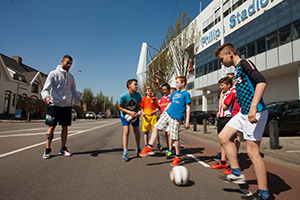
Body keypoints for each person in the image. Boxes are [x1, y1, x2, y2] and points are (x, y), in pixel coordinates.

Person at [214, 42, 269, 200]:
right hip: (243, 113)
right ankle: (237, 172)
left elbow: (261, 82)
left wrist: (253, 107)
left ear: (230, 53)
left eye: (222, 58)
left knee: (252, 152)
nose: (221, 62)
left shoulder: (245, 64)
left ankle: (264, 194)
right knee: (223, 137)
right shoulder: (237, 71)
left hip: (255, 112)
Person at [139, 76, 191, 167]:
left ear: (183, 83)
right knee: (156, 126)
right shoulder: (174, 93)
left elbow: (188, 107)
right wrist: (163, 112)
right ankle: (150, 146)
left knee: (175, 138)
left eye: (178, 82)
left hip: (176, 117)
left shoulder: (186, 94)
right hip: (168, 114)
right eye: (176, 82)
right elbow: (170, 103)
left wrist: (187, 121)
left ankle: (178, 157)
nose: (176, 84)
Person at [41, 55, 83, 159]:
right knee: (52, 127)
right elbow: (45, 89)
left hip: (66, 105)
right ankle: (47, 150)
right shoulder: (53, 74)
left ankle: (63, 148)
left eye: (71, 64)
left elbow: (73, 90)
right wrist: (47, 98)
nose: (69, 65)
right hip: (54, 105)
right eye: (67, 63)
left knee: (65, 127)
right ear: (62, 61)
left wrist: (80, 99)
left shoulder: (70, 76)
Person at [211, 77, 236, 173]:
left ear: (228, 85)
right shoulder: (225, 94)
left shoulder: (230, 94)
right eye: (220, 85)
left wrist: (221, 97)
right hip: (221, 119)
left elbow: (225, 106)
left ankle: (234, 166)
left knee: (229, 141)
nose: (220, 87)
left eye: (222, 85)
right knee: (222, 141)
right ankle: (223, 162)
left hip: (227, 119)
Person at [119, 79, 142, 162]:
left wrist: (138, 112)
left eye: (137, 84)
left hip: (135, 116)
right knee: (126, 132)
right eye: (135, 84)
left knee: (137, 132)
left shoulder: (138, 96)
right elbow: (120, 107)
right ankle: (125, 152)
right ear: (129, 85)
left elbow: (139, 106)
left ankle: (138, 149)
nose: (137, 86)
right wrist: (129, 112)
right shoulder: (123, 96)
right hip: (125, 116)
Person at [159, 83, 173, 158]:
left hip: (170, 117)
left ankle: (171, 150)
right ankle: (168, 148)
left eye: (165, 90)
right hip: (163, 118)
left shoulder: (171, 97)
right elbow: (160, 106)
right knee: (166, 134)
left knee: (169, 134)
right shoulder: (162, 98)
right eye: (163, 90)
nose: (164, 91)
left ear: (169, 89)